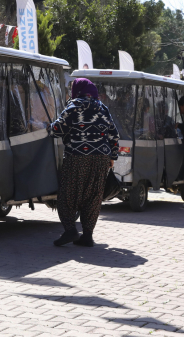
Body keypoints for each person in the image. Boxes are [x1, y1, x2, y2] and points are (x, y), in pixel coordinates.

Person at [50, 78, 120, 247]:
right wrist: (112, 157)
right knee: (93, 195)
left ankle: (70, 230)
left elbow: (57, 129)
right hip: (101, 158)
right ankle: (87, 235)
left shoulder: (73, 106)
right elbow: (114, 134)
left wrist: (49, 126)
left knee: (68, 194)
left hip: (77, 156)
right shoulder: (102, 108)